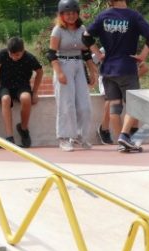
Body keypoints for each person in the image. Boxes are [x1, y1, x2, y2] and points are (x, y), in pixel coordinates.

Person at [83, 0, 149, 152]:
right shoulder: (133, 16)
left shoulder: (103, 16)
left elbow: (86, 36)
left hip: (108, 69)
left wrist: (97, 53)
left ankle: (121, 144)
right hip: (126, 68)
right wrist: (143, 55)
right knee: (133, 105)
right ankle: (124, 136)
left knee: (115, 106)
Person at [49, 0, 98, 151]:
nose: (71, 16)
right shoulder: (58, 30)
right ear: (61, 15)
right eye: (67, 13)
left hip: (78, 65)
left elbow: (86, 51)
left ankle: (79, 137)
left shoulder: (81, 28)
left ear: (78, 14)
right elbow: (51, 54)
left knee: (85, 105)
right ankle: (64, 138)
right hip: (63, 65)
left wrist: (92, 71)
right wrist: (59, 72)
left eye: (74, 13)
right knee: (66, 104)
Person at [0, 37, 43, 148]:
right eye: (12, 55)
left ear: (23, 51)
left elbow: (39, 71)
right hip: (5, 85)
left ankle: (23, 128)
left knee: (26, 98)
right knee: (6, 99)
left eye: (17, 55)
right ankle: (9, 137)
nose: (14, 57)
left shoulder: (29, 58)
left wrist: (35, 92)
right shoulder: (4, 54)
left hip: (22, 85)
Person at [95, 47, 149, 144]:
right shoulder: (105, 47)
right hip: (108, 77)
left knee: (133, 100)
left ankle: (133, 131)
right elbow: (93, 62)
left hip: (126, 77)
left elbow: (145, 68)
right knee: (111, 102)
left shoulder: (128, 46)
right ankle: (104, 128)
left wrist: (131, 78)